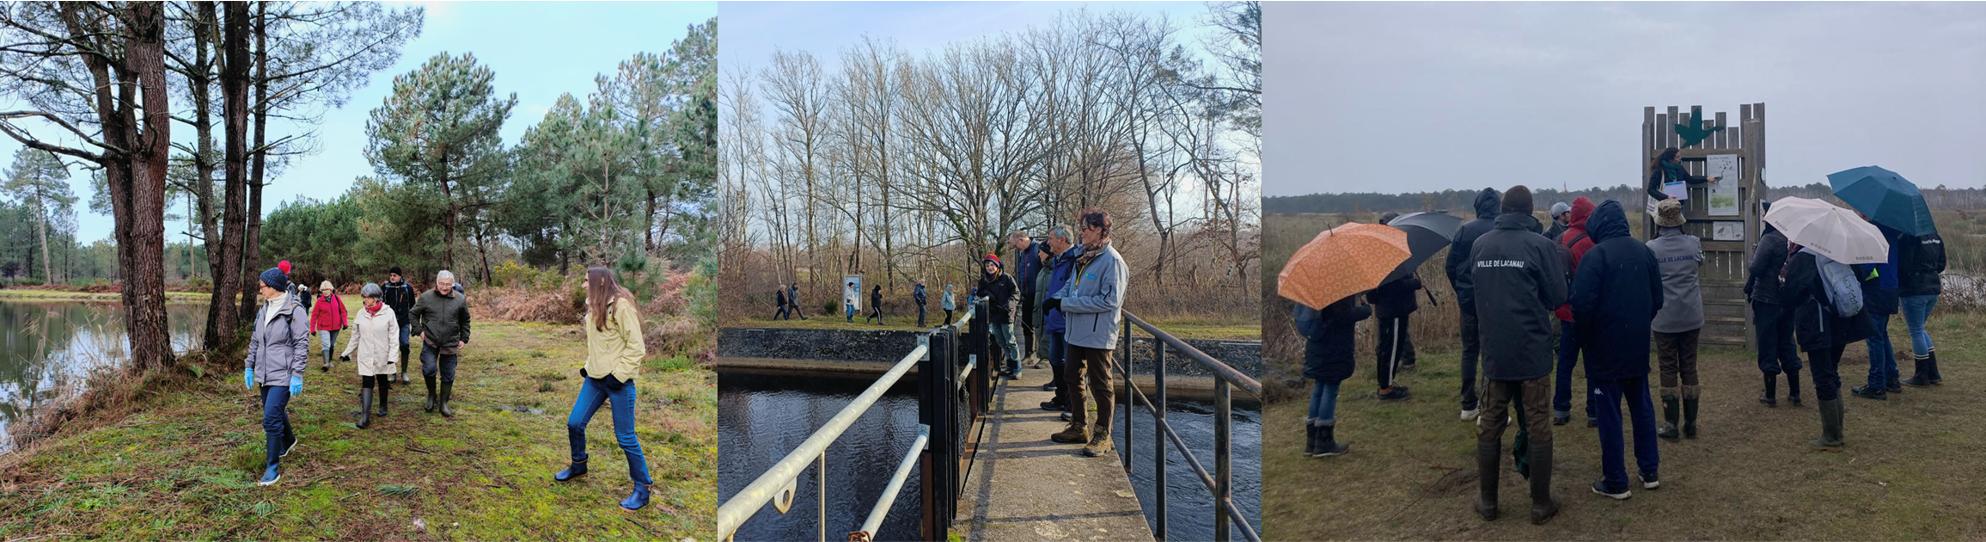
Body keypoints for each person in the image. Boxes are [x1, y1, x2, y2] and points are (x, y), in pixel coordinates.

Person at [1454, 185, 1564, 525]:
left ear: (1503, 210)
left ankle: (1488, 501)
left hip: (1495, 354)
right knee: (1538, 424)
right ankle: (1540, 503)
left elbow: (1471, 294)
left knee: (1490, 423)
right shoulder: (1541, 245)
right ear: (1530, 212)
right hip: (1531, 352)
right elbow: (1558, 295)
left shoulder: (1479, 246)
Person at [1571, 199, 1664, 500]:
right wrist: (1638, 324)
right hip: (1636, 346)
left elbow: (1581, 305)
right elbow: (1657, 299)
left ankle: (1616, 480)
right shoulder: (1645, 252)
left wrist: (1587, 339)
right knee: (1642, 408)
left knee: (1609, 414)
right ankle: (1649, 470)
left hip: (1604, 350)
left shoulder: (1595, 257)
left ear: (1598, 226)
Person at [552, 267, 655, 511]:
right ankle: (579, 466)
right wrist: (589, 367)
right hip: (595, 380)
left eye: (587, 281)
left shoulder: (621, 306)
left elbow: (636, 347)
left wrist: (618, 376)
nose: (583, 285)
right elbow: (600, 344)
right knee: (575, 424)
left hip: (619, 383)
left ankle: (643, 487)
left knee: (625, 437)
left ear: (599, 283)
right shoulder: (594, 305)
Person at [1044, 207, 1127, 458]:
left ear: (1100, 231)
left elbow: (1109, 301)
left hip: (1099, 334)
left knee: (1101, 385)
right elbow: (1072, 285)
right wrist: (1056, 298)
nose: (1081, 232)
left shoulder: (1113, 262)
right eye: (1081, 228)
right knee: (1072, 376)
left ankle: (1102, 434)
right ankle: (1079, 426)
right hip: (1075, 331)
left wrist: (1065, 304)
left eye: (1086, 229)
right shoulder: (1083, 257)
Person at [1781, 240, 1875, 451]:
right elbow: (1859, 278)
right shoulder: (1840, 251)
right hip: (1842, 324)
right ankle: (1837, 432)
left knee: (1823, 377)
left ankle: (1831, 436)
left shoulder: (1804, 258)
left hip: (1817, 326)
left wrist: (1787, 271)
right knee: (1832, 373)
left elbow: (1790, 296)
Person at [1646, 200, 1705, 441]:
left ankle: (1671, 424)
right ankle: (1690, 424)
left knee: (1668, 367)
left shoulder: (1650, 248)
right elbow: (1699, 263)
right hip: (1691, 315)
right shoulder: (1693, 244)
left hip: (1664, 317)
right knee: (1689, 366)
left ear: (1659, 222)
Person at [244, 267, 308, 486]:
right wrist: (249, 366)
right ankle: (288, 440)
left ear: (273, 287)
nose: (260, 290)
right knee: (274, 411)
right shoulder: (264, 308)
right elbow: (255, 340)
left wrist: (297, 375)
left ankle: (272, 468)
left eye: (262, 286)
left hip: (284, 374)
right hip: (264, 372)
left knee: (270, 418)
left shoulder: (294, 310)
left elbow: (301, 344)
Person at [1445, 187, 1500, 422]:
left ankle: (1468, 404)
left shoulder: (1465, 230)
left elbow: (1450, 266)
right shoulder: (1501, 231)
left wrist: (1462, 292)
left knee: (1469, 351)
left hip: (1468, 301)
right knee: (1492, 352)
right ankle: (1488, 407)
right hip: (1495, 302)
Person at [1746, 203, 1803, 406]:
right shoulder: (1793, 241)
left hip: (1766, 300)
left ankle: (1770, 395)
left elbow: (1756, 268)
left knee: (1768, 344)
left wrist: (1754, 254)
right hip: (1788, 301)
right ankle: (1794, 393)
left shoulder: (1770, 240)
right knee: (1787, 342)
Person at [1298, 295, 1367, 458]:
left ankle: (1311, 441)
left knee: (1318, 388)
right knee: (1330, 389)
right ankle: (1324, 442)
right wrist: (1364, 310)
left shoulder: (1313, 288)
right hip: (1334, 346)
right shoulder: (1337, 289)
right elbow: (1343, 315)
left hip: (1316, 345)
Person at [1551, 197, 1598, 427]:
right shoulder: (1591, 242)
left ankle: (1561, 408)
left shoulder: (1560, 238)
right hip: (1587, 314)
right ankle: (1593, 411)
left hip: (1565, 311)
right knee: (1593, 364)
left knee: (1565, 363)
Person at [1367, 215, 1417, 402]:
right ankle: (1386, 389)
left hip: (1391, 308)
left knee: (1388, 347)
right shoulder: (1385, 255)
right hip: (1393, 309)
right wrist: (1414, 283)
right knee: (1391, 348)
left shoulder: (1378, 252)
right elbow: (1391, 286)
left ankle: (1386, 384)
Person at [1852, 223, 1904, 400]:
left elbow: (1867, 267)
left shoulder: (1874, 233)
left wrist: (1854, 274)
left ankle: (1876, 385)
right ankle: (1891, 378)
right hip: (1890, 289)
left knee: (1874, 337)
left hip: (1876, 291)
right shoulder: (1892, 232)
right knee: (1882, 334)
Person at [410, 270, 472, 417]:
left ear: (453, 284)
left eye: (448, 285)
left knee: (448, 373)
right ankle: (431, 396)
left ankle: (444, 403)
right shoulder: (426, 297)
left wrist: (464, 338)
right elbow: (413, 314)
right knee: (429, 369)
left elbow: (465, 320)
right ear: (437, 283)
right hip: (430, 340)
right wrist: (419, 331)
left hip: (450, 342)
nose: (444, 287)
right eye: (442, 284)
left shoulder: (460, 299)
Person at [340, 283, 401, 429]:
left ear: (376, 297)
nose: (365, 300)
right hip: (366, 354)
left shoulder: (388, 313)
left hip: (383, 354)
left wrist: (393, 355)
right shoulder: (361, 313)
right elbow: (355, 336)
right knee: (367, 382)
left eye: (368, 297)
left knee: (382, 379)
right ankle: (365, 416)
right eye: (364, 297)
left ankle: (383, 405)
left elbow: (394, 336)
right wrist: (347, 352)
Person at [1037, 227, 1079, 409]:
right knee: (1055, 359)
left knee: (1070, 365)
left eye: (1051, 238)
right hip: (1054, 320)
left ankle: (1072, 405)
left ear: (1062, 240)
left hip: (1066, 321)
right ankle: (1061, 398)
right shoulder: (1059, 261)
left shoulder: (1073, 261)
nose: (1048, 242)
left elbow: (1074, 290)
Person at [1899, 230, 1946, 387]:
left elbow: (1904, 265)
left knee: (1916, 331)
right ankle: (1933, 372)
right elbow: (1941, 263)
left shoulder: (1908, 236)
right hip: (1932, 287)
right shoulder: (1934, 236)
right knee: (1920, 328)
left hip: (1914, 289)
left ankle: (1921, 375)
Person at [978, 255, 1021, 378]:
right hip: (993, 315)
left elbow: (1016, 293)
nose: (990, 268)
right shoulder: (984, 280)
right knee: (1001, 341)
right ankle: (1009, 365)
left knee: (1010, 340)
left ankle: (1017, 367)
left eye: (992, 265)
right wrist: (988, 293)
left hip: (1006, 314)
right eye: (987, 266)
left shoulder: (1007, 278)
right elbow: (979, 291)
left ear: (997, 266)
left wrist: (1009, 304)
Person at [1008, 231, 1044, 368]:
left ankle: (1043, 356)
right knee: (1026, 325)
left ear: (1021, 240)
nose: (1015, 248)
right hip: (1027, 296)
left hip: (1039, 296)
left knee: (1041, 326)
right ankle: (1029, 354)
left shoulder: (1038, 250)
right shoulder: (1024, 254)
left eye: (1014, 245)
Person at [1644, 147, 1720, 203]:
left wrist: (1706, 178)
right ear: (1670, 159)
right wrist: (1666, 197)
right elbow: (1650, 190)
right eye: (1677, 157)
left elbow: (1690, 179)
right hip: (1665, 205)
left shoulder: (1679, 168)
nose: (1680, 158)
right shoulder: (1658, 171)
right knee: (1667, 225)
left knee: (1679, 224)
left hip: (1679, 204)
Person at [382, 267, 418, 384]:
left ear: (400, 276)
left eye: (395, 275)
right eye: (391, 275)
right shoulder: (385, 288)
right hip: (389, 324)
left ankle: (404, 372)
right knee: (391, 347)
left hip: (404, 322)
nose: (392, 277)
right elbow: (379, 305)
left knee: (404, 345)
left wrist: (414, 324)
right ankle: (392, 373)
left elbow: (413, 307)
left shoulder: (408, 288)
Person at [309, 280, 349, 372]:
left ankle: (330, 360)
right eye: (323, 290)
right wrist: (312, 329)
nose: (325, 291)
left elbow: (343, 310)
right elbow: (314, 315)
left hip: (336, 326)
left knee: (332, 345)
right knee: (326, 344)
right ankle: (326, 363)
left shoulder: (337, 299)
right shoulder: (319, 301)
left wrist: (345, 323)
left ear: (331, 290)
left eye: (327, 289)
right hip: (323, 327)